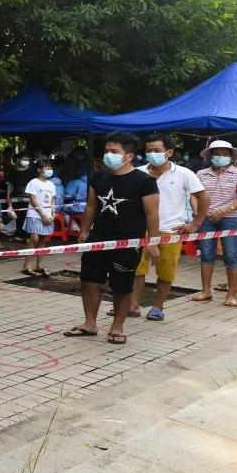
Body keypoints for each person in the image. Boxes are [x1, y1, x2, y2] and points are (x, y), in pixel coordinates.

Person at [65, 133, 159, 345]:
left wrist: (152, 242)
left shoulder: (144, 181)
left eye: (114, 152)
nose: (109, 156)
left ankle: (117, 326)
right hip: (98, 239)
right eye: (107, 151)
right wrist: (84, 231)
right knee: (89, 280)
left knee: (122, 285)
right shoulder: (98, 177)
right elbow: (91, 205)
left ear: (129, 156)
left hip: (128, 243)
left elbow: (153, 214)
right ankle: (90, 323)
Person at [124, 134, 209, 321]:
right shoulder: (137, 172)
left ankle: (158, 306)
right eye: (148, 150)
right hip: (141, 231)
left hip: (171, 231)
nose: (152, 154)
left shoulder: (184, 174)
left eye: (157, 150)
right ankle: (133, 305)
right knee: (137, 270)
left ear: (169, 152)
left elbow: (204, 197)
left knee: (166, 271)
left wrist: (196, 223)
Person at [190, 140, 237, 307]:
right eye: (217, 154)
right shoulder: (201, 174)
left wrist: (224, 211)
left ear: (231, 157)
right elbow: (194, 195)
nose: (220, 157)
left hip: (231, 219)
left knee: (232, 256)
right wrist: (198, 213)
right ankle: (206, 291)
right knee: (206, 255)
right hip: (206, 219)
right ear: (210, 156)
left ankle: (232, 294)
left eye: (225, 154)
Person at [21, 161, 56, 276]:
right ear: (39, 169)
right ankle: (27, 266)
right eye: (46, 167)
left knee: (43, 240)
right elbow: (33, 199)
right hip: (35, 215)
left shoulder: (51, 184)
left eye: (50, 167)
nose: (49, 169)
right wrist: (42, 214)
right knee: (34, 239)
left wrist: (52, 213)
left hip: (48, 215)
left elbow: (52, 200)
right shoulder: (33, 182)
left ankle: (39, 266)